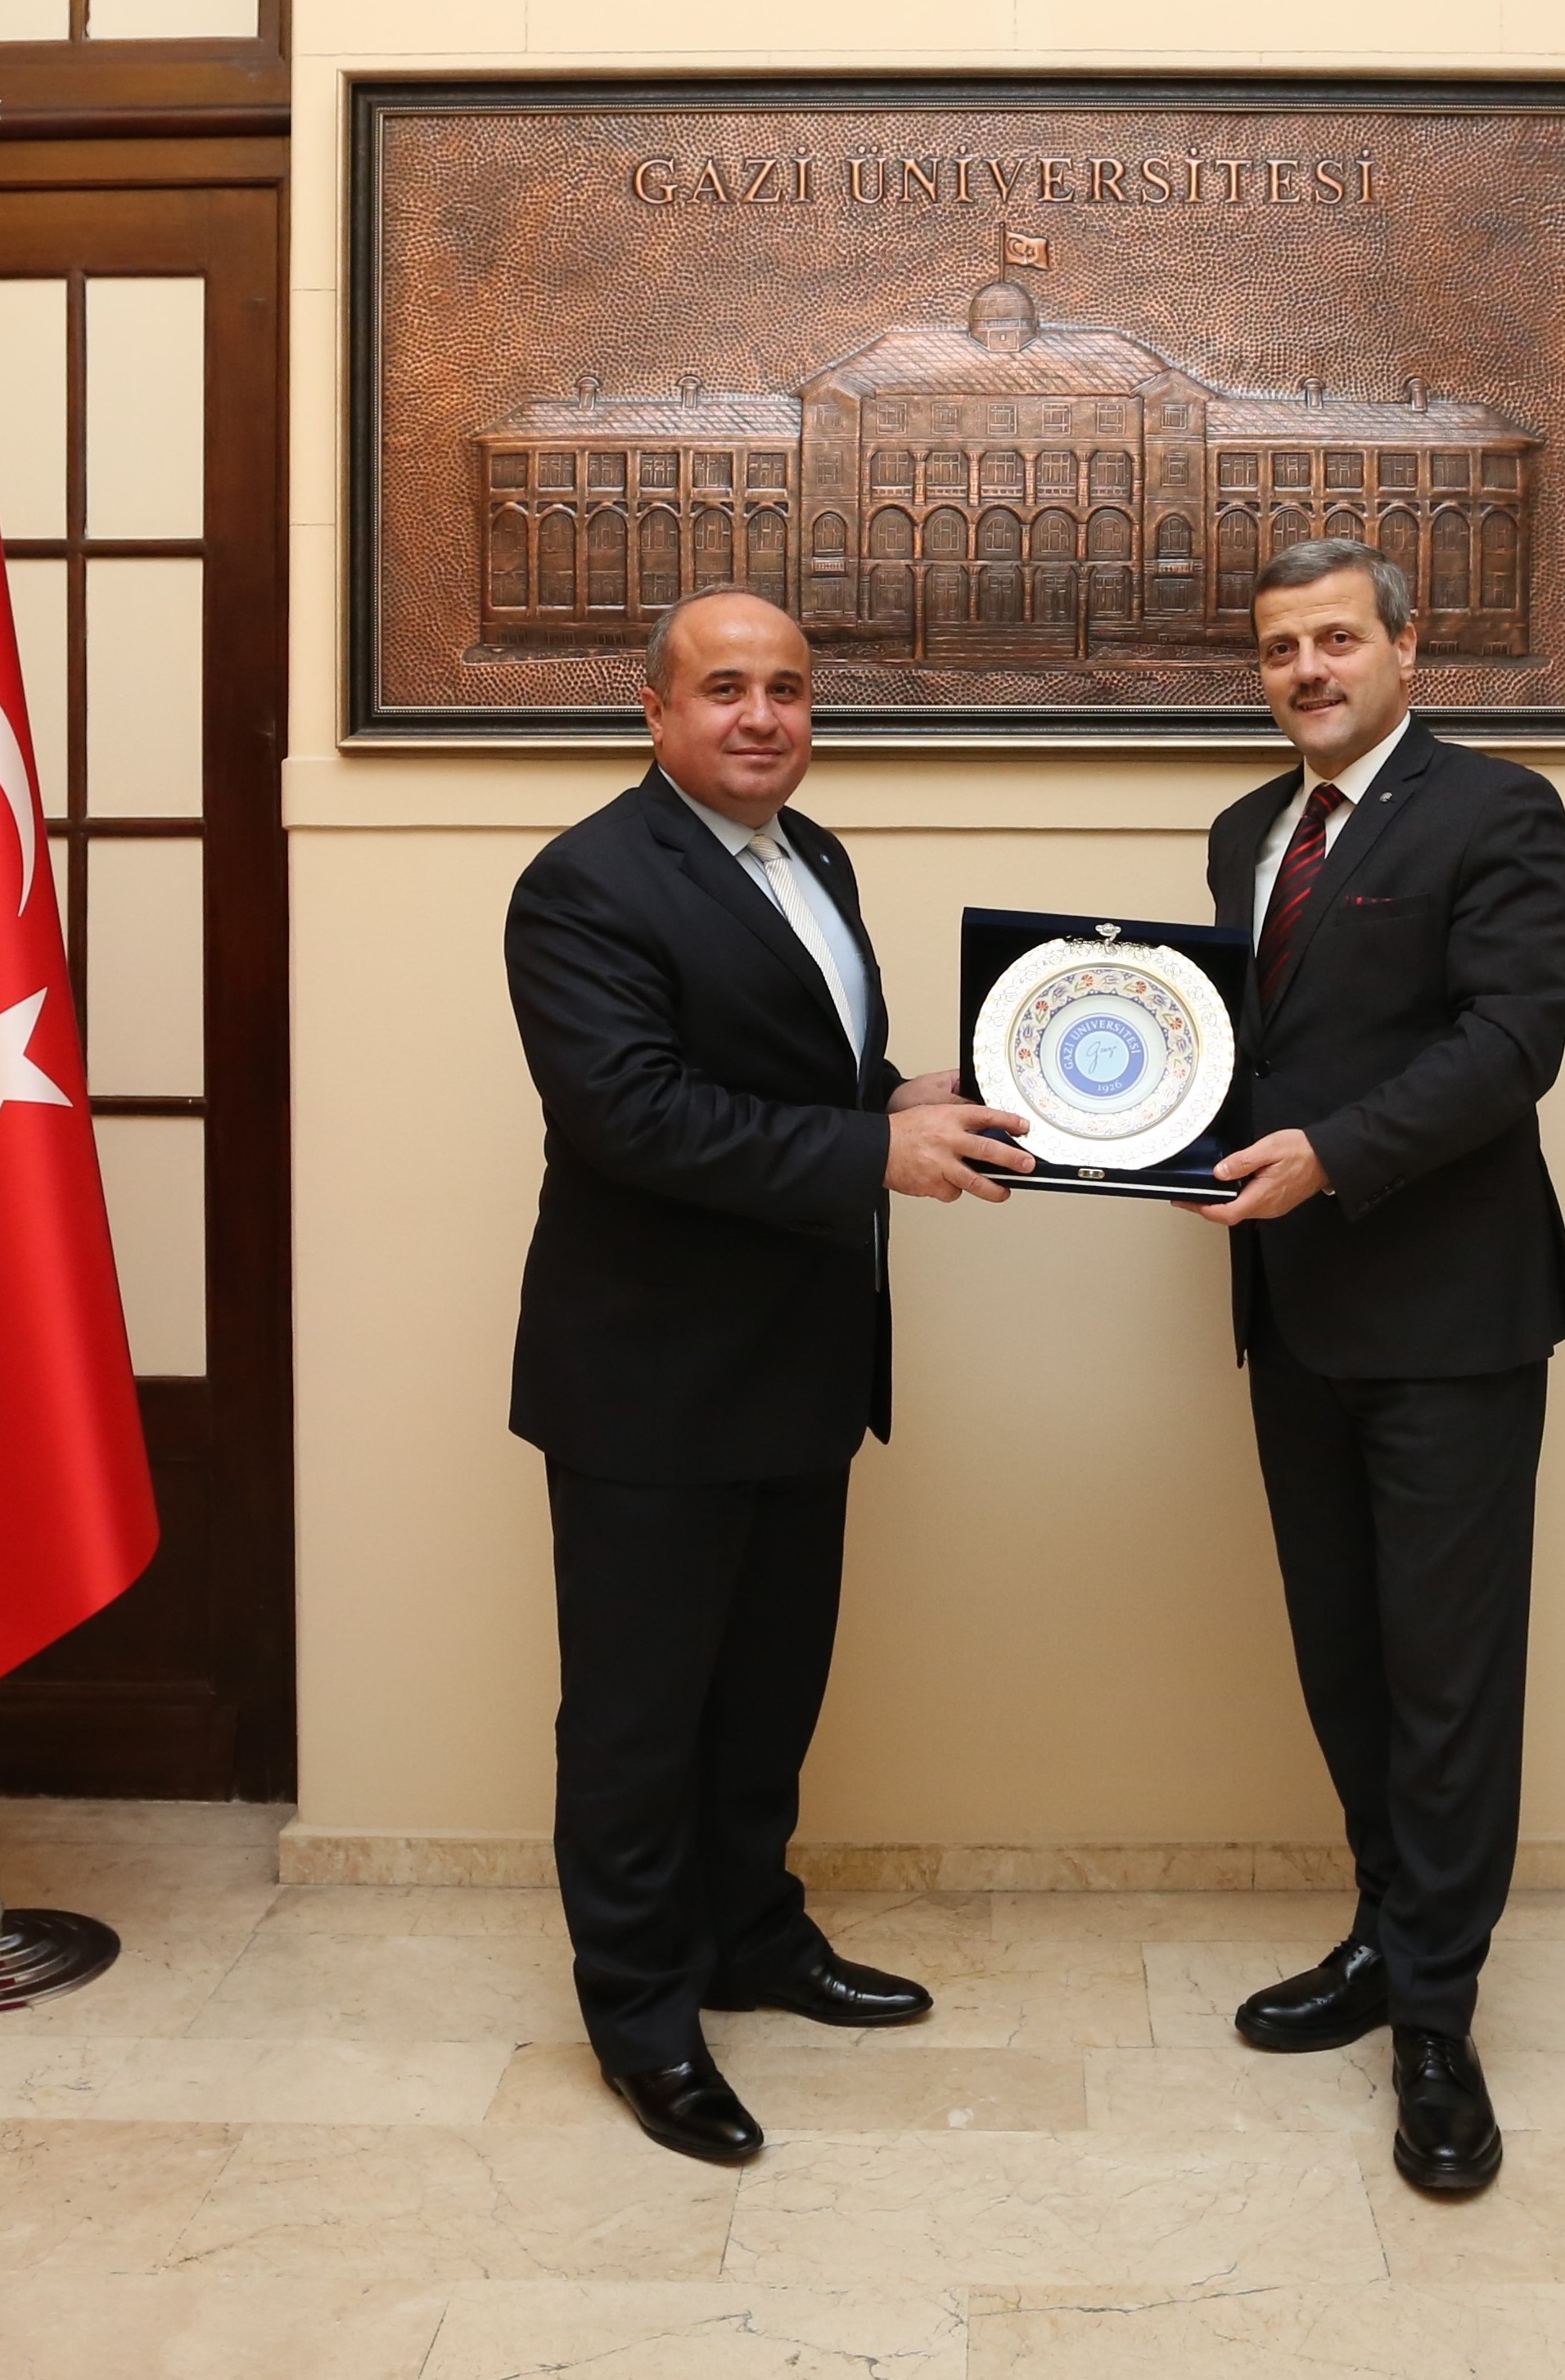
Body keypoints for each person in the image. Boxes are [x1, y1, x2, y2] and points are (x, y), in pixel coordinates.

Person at [501, 587, 1036, 2166]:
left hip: (801, 1365)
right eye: (724, 688)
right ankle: (642, 2014)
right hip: (651, 1385)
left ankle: (750, 1937)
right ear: (653, 711)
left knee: (765, 1698)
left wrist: (904, 1091)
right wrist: (875, 1147)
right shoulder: (583, 883)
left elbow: (795, 1076)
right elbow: (637, 1116)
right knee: (636, 1720)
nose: (762, 717)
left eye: (788, 689)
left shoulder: (816, 858)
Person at [1193, 534, 1565, 2197]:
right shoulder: (1240, 833)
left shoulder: (1496, 811)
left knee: (1443, 1678)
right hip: (1293, 1316)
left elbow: (1508, 1046)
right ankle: (1381, 1929)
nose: (1308, 670)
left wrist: (1331, 1156)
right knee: (1344, 1660)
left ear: (1406, 649)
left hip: (1448, 1318)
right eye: (1281, 647)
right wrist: (1110, 1130)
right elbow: (1236, 1048)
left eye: (1337, 638)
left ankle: (1433, 2016)